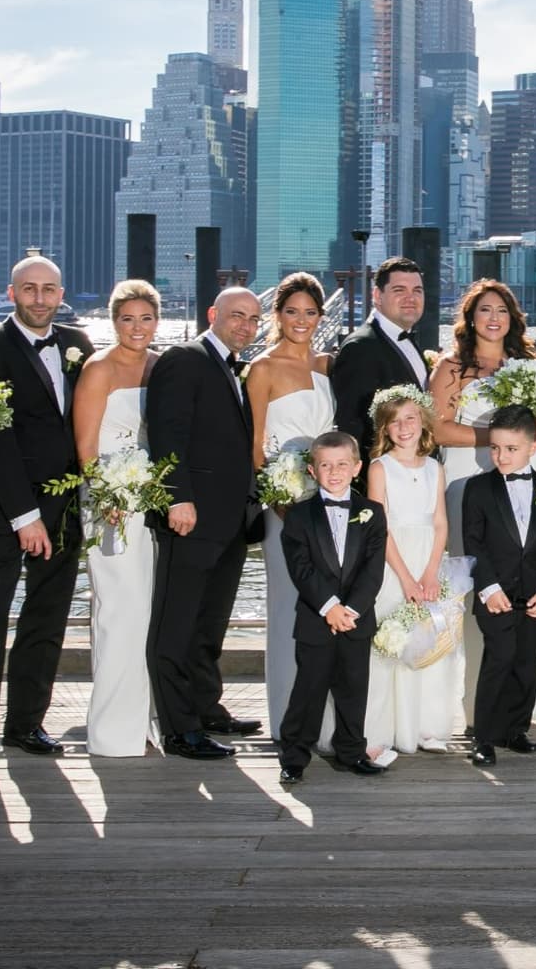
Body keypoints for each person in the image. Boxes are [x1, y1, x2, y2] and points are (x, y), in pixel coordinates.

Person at [0, 256, 94, 782]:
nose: (39, 298)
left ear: (61, 294)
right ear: (11, 293)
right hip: (7, 508)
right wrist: (24, 516)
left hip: (65, 507)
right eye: (29, 289)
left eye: (49, 289)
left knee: (47, 618)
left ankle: (26, 723)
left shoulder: (79, 343)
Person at [145, 287, 263, 761]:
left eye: (254, 319)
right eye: (237, 316)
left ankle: (206, 707)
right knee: (177, 625)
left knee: (209, 624)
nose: (245, 326)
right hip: (191, 518)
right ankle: (180, 728)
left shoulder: (234, 369)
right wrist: (178, 499)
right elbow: (167, 434)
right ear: (213, 314)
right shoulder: (185, 359)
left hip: (230, 522)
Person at [430, 278, 536, 729]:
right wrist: (499, 439)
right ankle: (465, 704)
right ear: (471, 318)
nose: (494, 317)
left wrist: (523, 451)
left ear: (513, 318)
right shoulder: (450, 367)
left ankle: (513, 705)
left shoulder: (530, 365)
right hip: (467, 476)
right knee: (471, 579)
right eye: (484, 310)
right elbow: (438, 429)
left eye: (501, 309)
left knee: (516, 573)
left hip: (518, 480)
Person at [70, 279, 164, 757]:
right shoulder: (98, 369)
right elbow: (86, 448)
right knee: (118, 612)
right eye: (127, 319)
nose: (137, 327)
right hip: (110, 502)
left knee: (144, 614)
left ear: (157, 322)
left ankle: (142, 723)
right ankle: (112, 731)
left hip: (149, 500)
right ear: (114, 322)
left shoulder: (159, 367)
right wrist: (105, 494)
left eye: (145, 318)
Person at [245, 272, 336, 737]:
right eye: (292, 311)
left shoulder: (326, 366)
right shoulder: (261, 368)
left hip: (328, 502)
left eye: (310, 312)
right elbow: (256, 448)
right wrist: (278, 498)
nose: (301, 320)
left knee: (325, 607)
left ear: (320, 316)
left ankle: (323, 722)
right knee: (288, 604)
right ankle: (287, 720)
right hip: (283, 506)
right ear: (278, 314)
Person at [277, 432, 388, 782]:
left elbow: (373, 569)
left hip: (356, 619)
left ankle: (352, 751)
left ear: (357, 467)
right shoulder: (298, 516)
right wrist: (329, 607)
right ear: (312, 469)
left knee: (354, 687)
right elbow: (301, 569)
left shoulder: (373, 512)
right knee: (308, 689)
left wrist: (351, 609)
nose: (335, 472)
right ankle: (294, 756)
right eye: (326, 465)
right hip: (316, 617)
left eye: (342, 464)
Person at [465, 406, 536, 768]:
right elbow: (473, 545)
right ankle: (485, 737)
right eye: (495, 448)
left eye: (511, 449)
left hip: (534, 594)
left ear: (533, 447)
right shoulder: (477, 489)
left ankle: (515, 729)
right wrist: (488, 589)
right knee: (499, 657)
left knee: (525, 661)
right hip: (494, 595)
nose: (501, 456)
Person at [364, 386, 461, 757]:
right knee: (392, 639)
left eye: (410, 419)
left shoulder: (436, 467)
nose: (403, 428)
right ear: (384, 429)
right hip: (394, 562)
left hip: (427, 559)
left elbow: (440, 522)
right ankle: (382, 730)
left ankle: (426, 726)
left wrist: (432, 572)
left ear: (423, 422)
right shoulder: (379, 468)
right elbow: (380, 527)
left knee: (431, 639)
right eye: (394, 422)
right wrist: (406, 578)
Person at [331, 257, 429, 469]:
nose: (410, 298)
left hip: (415, 472)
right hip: (383, 477)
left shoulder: (407, 340)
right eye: (399, 290)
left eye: (417, 291)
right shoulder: (361, 347)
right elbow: (352, 425)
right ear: (377, 295)